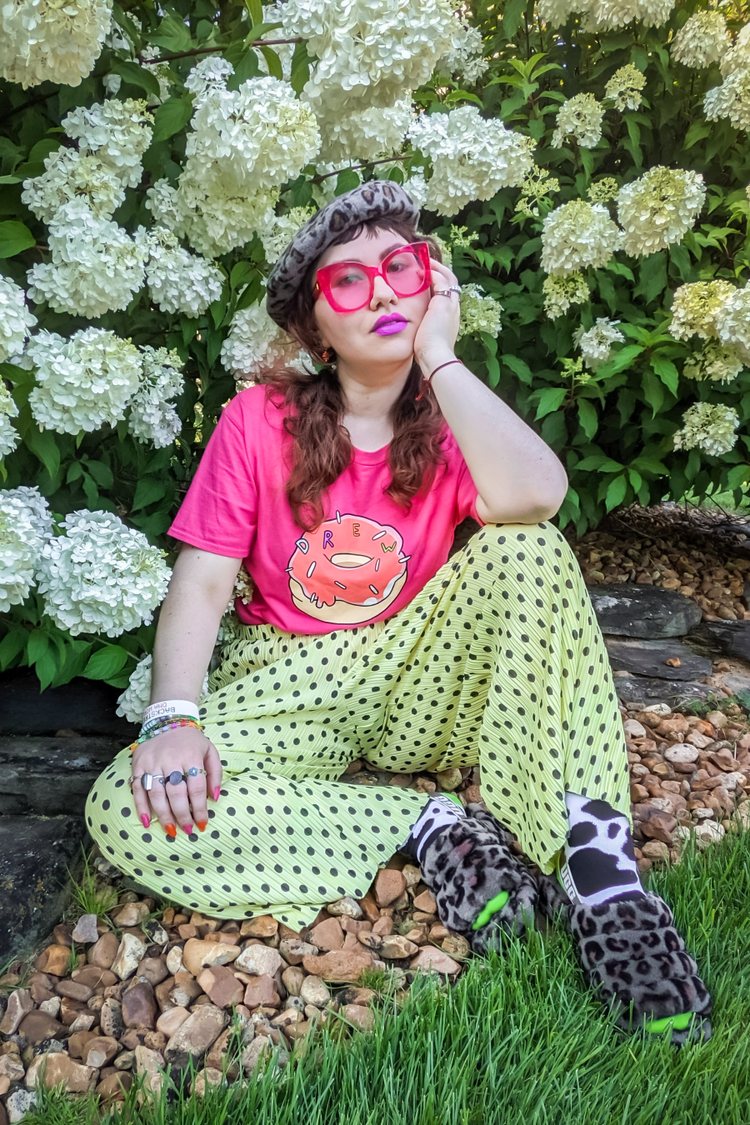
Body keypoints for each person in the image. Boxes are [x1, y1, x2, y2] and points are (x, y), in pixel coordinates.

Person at [86, 180, 710, 1043]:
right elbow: (200, 580)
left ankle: (603, 881)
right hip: (290, 682)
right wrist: (172, 716)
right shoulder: (258, 420)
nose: (381, 290)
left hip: (419, 675)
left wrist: (442, 358)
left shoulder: (451, 421)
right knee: (130, 805)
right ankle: (429, 826)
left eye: (401, 268)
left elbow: (538, 496)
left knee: (526, 545)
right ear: (314, 325)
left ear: (433, 285)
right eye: (348, 281)